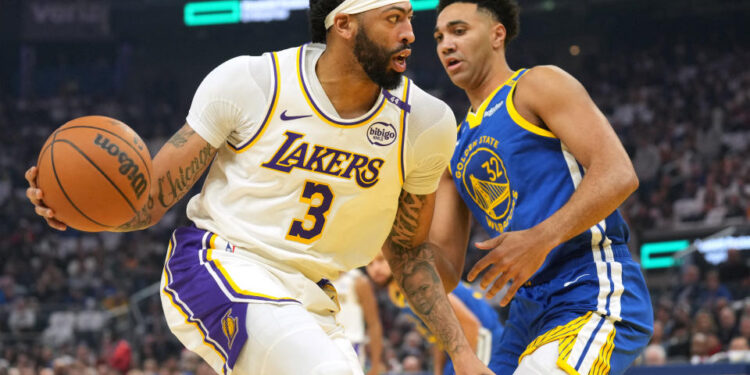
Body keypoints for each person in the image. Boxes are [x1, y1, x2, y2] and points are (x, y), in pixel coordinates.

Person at [25, 0, 494, 374]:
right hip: (218, 263)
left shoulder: (427, 123)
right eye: (393, 18)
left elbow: (409, 255)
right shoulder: (252, 82)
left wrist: (462, 353)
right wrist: (70, 207)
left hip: (314, 296)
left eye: (410, 18)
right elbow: (150, 203)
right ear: (345, 24)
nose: (410, 34)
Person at [429, 1, 654, 374]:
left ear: (497, 34)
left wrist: (540, 238)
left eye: (458, 31)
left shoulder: (536, 84)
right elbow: (445, 273)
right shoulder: (453, 149)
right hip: (525, 312)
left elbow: (618, 173)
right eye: (438, 37)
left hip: (589, 285)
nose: (445, 45)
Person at [366, 252, 505, 374]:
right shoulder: (395, 294)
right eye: (370, 264)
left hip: (482, 335)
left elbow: (471, 325)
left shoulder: (416, 282)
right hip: (459, 345)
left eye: (381, 260)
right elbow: (439, 336)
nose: (376, 269)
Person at [331, 269, 385, 375]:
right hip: (322, 344)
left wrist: (375, 364)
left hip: (350, 347)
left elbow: (373, 323)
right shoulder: (314, 276)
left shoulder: (357, 280)